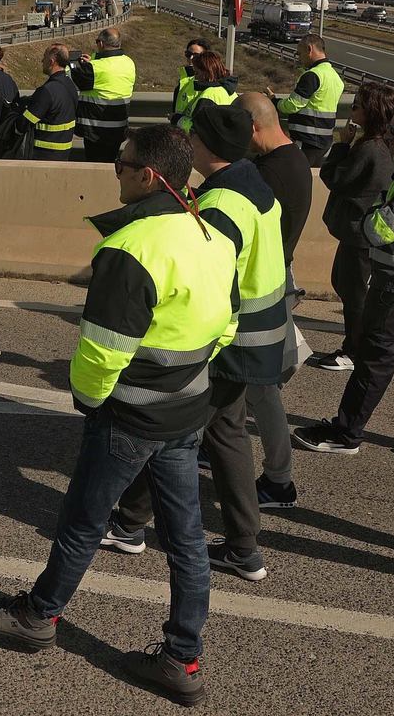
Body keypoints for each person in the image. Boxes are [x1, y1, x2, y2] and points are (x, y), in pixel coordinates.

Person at [0, 124, 234, 708]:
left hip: (131, 416)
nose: (114, 170)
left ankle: (37, 616)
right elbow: (227, 325)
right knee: (187, 537)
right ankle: (182, 657)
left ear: (148, 175)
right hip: (186, 412)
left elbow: (101, 351)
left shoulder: (129, 248)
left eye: (120, 163)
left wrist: (92, 403)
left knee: (83, 520)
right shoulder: (212, 233)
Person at [111, 103, 287, 582]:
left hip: (229, 339)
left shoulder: (221, 205)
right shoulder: (248, 183)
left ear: (203, 146)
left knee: (168, 429)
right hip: (257, 334)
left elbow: (209, 272)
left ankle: (129, 524)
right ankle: (242, 547)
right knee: (224, 434)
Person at [294, 100, 394, 459]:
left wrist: (371, 218)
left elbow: (380, 229)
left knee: (374, 359)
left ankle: (345, 434)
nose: (389, 136)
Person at [237, 91, 313, 510]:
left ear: (253, 127)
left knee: (260, 388)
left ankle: (280, 480)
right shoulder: (292, 158)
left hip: (262, 287)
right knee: (238, 384)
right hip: (274, 280)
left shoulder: (267, 175)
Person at [308, 82, 394, 372]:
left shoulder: (369, 149)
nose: (352, 109)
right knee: (347, 287)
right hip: (361, 233)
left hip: (361, 234)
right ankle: (359, 345)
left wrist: (342, 145)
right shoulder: (382, 145)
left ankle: (354, 350)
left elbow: (334, 177)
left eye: (357, 105)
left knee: (354, 292)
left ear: (371, 112)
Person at [272, 34, 345, 166]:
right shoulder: (335, 76)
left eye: (300, 53)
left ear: (309, 49)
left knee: (295, 176)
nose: (299, 58)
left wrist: (275, 102)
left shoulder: (312, 75)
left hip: (308, 139)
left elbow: (293, 105)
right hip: (324, 139)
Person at [70, 28, 136, 163]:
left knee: (94, 164)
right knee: (109, 164)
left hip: (96, 129)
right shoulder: (129, 62)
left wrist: (71, 64)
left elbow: (75, 78)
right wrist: (93, 60)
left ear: (101, 44)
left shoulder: (95, 68)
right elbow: (108, 70)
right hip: (118, 127)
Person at [25, 44, 79, 156]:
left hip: (43, 153)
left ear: (51, 62)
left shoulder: (46, 91)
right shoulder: (70, 85)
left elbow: (24, 124)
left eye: (44, 57)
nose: (41, 61)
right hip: (64, 152)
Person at [173, 50, 235, 133]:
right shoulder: (231, 93)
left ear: (207, 73)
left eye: (197, 73)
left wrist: (178, 119)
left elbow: (198, 130)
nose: (195, 77)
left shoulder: (208, 95)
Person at [172, 39, 209, 118]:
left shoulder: (207, 81)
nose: (191, 58)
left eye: (196, 55)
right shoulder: (183, 81)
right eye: (188, 54)